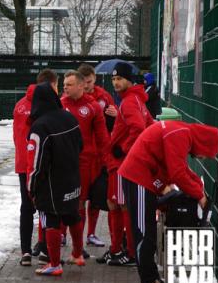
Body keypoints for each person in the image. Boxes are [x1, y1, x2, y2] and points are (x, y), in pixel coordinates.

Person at [119, 121, 218, 283]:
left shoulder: (181, 132)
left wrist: (195, 185)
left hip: (144, 176)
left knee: (146, 230)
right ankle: (148, 280)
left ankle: (149, 277)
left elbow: (181, 169)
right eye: (206, 155)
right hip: (139, 178)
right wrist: (200, 195)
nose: (202, 158)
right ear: (204, 144)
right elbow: (178, 172)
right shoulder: (180, 134)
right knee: (144, 232)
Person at [27, 81, 85, 276]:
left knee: (50, 219)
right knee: (72, 215)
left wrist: (32, 187)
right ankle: (77, 254)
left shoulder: (40, 126)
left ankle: (54, 264)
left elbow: (36, 162)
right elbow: (80, 145)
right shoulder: (69, 117)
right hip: (72, 177)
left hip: (51, 183)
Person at [102, 61, 154, 266]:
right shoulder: (137, 99)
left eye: (119, 79)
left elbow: (140, 128)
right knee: (118, 205)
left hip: (122, 163)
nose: (115, 82)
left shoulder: (130, 101)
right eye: (113, 79)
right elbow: (150, 124)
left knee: (120, 206)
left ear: (129, 80)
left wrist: (123, 148)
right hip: (123, 162)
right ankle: (119, 250)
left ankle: (127, 252)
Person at [12, 69, 59, 266]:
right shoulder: (48, 106)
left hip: (23, 164)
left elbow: (17, 136)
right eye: (57, 86)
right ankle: (45, 249)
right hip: (42, 163)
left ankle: (25, 251)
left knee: (26, 206)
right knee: (46, 206)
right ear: (50, 86)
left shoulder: (20, 105)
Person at [61, 70, 110, 252]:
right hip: (64, 162)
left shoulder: (93, 106)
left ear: (81, 86)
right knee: (64, 200)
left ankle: (81, 242)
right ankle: (62, 234)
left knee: (83, 201)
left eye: (69, 84)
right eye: (64, 84)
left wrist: (107, 161)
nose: (65, 87)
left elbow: (103, 136)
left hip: (86, 162)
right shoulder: (60, 105)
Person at [77, 63, 117, 247]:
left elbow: (117, 120)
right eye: (83, 82)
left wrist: (116, 114)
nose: (86, 86)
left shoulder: (104, 97)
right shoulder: (73, 98)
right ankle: (68, 234)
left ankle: (91, 234)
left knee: (96, 198)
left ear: (94, 79)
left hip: (99, 157)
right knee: (78, 198)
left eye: (89, 81)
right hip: (80, 157)